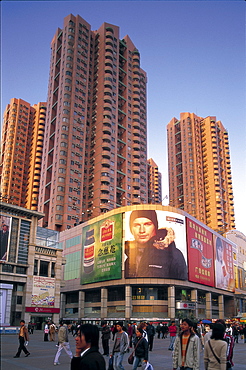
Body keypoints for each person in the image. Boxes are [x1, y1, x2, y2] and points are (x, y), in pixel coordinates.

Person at [125, 210, 187, 280]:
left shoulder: (173, 254)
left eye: (147, 224)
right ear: (131, 229)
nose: (142, 230)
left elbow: (181, 282)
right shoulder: (129, 258)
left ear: (155, 227)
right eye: (137, 225)